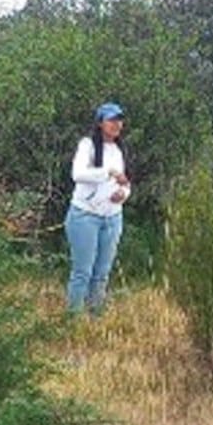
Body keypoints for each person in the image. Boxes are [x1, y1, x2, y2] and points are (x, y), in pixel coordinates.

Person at [65, 102, 132, 315]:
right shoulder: (88, 145)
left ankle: (96, 316)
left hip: (112, 217)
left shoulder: (120, 149)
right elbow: (78, 174)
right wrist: (108, 172)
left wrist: (123, 194)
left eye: (119, 119)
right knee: (82, 272)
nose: (116, 124)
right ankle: (73, 318)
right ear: (100, 123)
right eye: (111, 119)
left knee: (102, 273)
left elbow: (126, 182)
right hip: (85, 215)